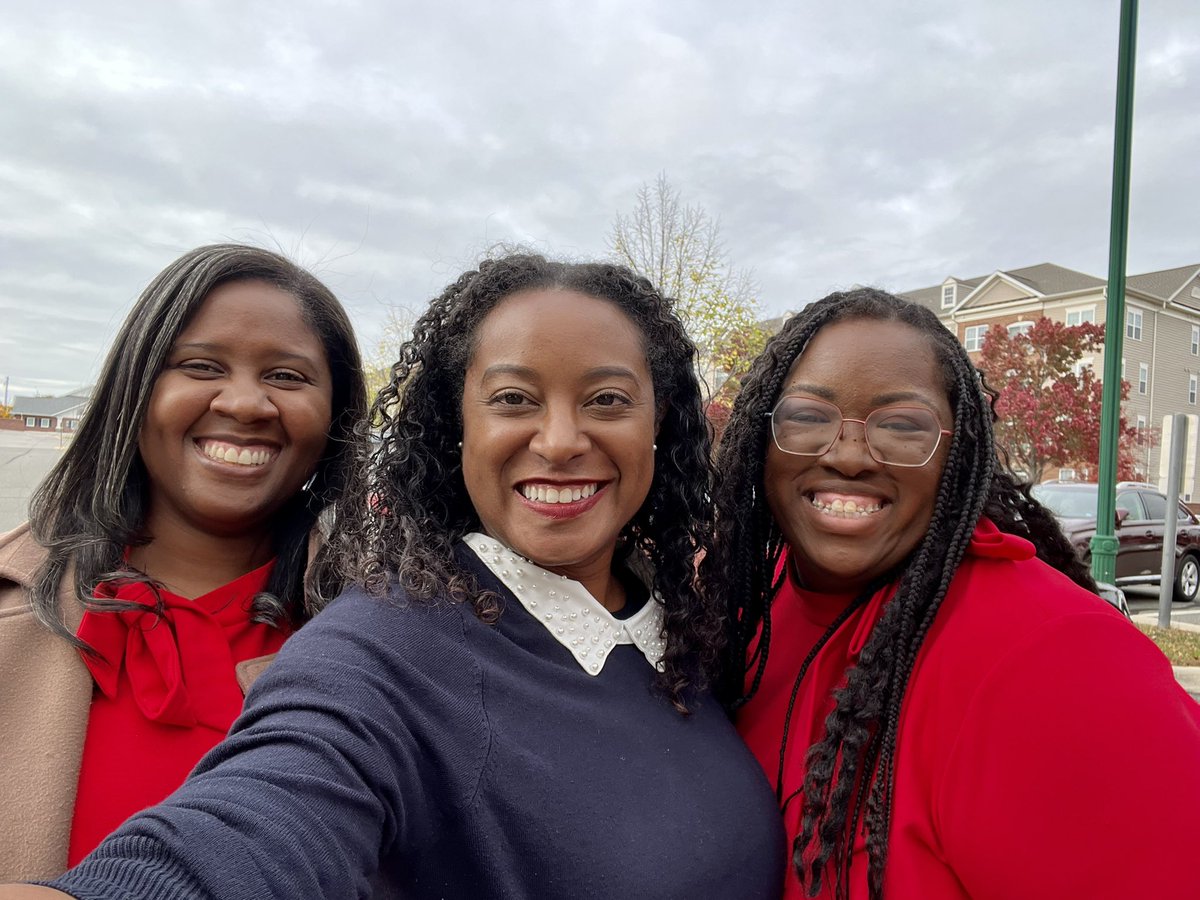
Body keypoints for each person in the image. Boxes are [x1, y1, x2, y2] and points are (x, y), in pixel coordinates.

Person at [5, 255, 786, 899]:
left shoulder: (692, 624)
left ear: (664, 424)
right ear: (456, 429)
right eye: (513, 398)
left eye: (607, 399)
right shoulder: (386, 645)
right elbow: (252, 825)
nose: (558, 440)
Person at [704, 287, 1200, 900]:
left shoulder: (1056, 655)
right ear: (761, 441)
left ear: (957, 452)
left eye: (902, 425)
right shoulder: (748, 610)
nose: (851, 454)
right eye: (807, 416)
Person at [0, 244, 367, 881]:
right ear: (134, 390)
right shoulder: (11, 601)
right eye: (200, 366)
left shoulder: (393, 630)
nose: (246, 403)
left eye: (287, 376)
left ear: (336, 416)